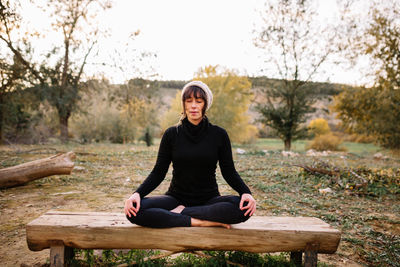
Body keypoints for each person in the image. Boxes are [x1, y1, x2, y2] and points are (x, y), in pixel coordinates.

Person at [124, 81, 256, 228]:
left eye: (198, 101)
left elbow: (229, 171)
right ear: (184, 104)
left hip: (209, 200)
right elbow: (158, 172)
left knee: (243, 207)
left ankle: (182, 213)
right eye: (189, 101)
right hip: (175, 198)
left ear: (205, 105)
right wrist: (137, 194)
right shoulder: (172, 134)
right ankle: (197, 221)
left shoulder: (219, 134)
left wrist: (246, 193)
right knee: (135, 210)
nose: (193, 105)